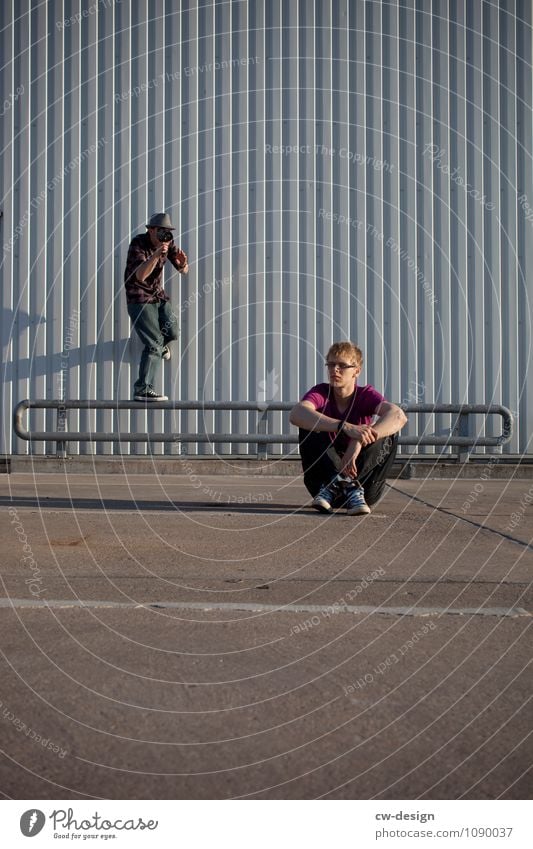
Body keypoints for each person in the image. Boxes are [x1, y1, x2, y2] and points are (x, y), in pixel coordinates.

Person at [289, 341, 407, 515]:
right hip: (323, 489)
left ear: (356, 371)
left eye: (342, 365)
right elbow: (296, 413)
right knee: (308, 424)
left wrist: (358, 440)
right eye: (331, 364)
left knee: (387, 432)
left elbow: (398, 415)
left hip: (364, 490)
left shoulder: (365, 395)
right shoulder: (321, 392)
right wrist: (344, 427)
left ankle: (350, 485)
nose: (334, 370)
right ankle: (336, 482)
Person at [124, 212, 189, 401]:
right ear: (151, 230)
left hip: (158, 296)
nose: (165, 236)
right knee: (153, 343)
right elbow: (140, 276)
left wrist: (184, 265)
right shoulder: (138, 243)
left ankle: (161, 349)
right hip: (139, 299)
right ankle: (143, 389)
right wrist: (156, 254)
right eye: (161, 231)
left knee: (173, 332)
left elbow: (184, 270)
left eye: (167, 232)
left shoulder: (168, 243)